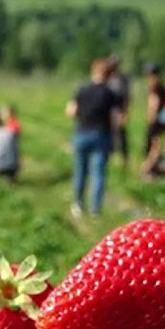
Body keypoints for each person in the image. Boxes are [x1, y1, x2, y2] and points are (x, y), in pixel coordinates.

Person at [66, 58, 124, 218]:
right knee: (98, 173)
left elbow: (70, 111)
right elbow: (117, 119)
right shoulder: (111, 94)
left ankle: (78, 204)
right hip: (101, 134)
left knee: (80, 170)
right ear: (108, 74)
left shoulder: (82, 89)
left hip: (82, 132)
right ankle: (95, 209)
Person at [142, 62, 165, 175]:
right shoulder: (162, 85)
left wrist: (151, 117)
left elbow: (154, 102)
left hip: (157, 120)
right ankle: (155, 169)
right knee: (155, 145)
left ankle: (148, 170)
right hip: (162, 119)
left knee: (153, 146)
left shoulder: (155, 86)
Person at [106, 55, 132, 168]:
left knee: (121, 134)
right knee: (108, 133)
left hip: (119, 109)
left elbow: (126, 96)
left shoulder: (123, 79)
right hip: (107, 109)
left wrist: (125, 112)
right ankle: (108, 156)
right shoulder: (106, 78)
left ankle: (124, 159)